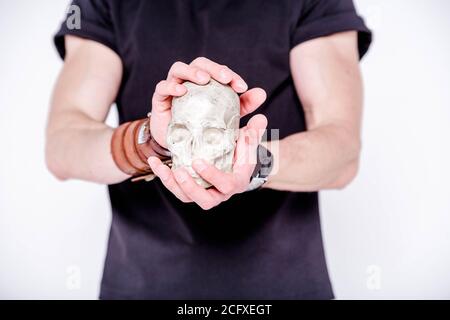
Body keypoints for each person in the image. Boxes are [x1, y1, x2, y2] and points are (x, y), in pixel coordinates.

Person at [47, 0, 372, 299]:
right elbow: (63, 146)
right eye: (180, 135)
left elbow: (342, 151)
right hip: (139, 287)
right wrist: (149, 142)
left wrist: (255, 164)